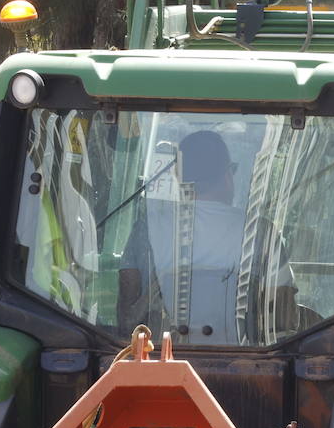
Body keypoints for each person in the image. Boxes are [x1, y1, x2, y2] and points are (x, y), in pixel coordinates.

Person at [118, 129, 295, 343]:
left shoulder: (146, 230)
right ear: (227, 175)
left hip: (158, 366)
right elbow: (284, 318)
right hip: (243, 367)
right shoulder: (259, 233)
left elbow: (126, 317)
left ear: (178, 177)